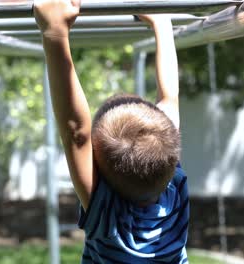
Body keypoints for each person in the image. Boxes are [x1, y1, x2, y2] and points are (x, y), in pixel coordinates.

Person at [34, 0, 189, 263]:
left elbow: (76, 132)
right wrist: (162, 23)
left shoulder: (109, 218)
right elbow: (169, 98)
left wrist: (55, 33)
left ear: (99, 170)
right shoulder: (172, 188)